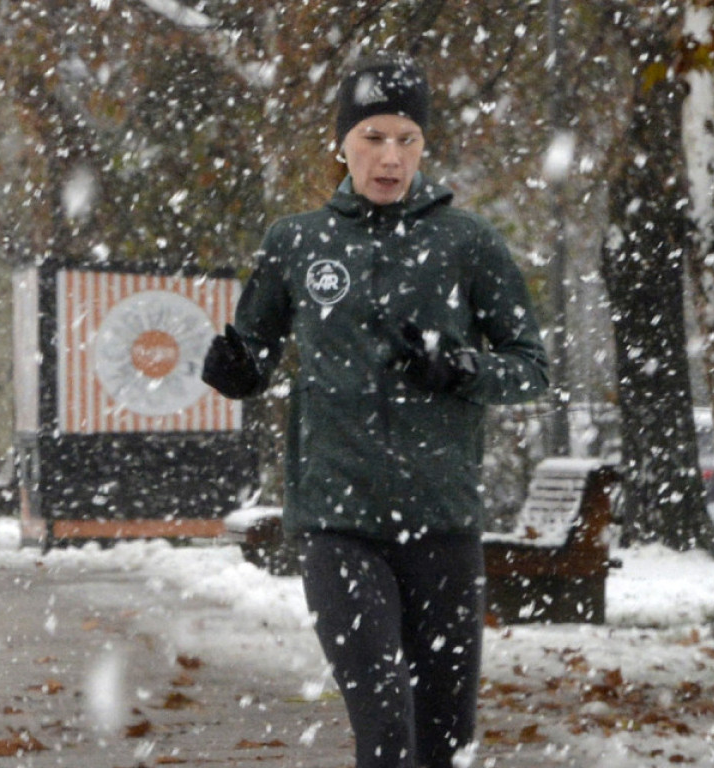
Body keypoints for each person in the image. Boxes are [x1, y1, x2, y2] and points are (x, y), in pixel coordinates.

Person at [202, 55, 550, 768]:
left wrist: (458, 367)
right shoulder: (297, 241)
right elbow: (255, 351)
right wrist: (235, 371)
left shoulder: (467, 242)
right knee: (386, 731)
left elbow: (531, 368)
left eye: (406, 139)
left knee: (444, 742)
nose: (390, 157)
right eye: (372, 137)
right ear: (342, 144)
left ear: (423, 146)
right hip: (338, 522)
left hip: (442, 521)